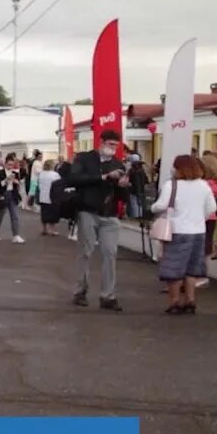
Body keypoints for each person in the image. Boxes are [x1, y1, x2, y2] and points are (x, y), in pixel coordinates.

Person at [68, 129, 130, 312]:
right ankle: (80, 291)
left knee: (110, 253)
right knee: (85, 252)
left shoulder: (118, 164)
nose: (113, 149)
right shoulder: (85, 159)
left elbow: (122, 195)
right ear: (101, 142)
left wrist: (123, 186)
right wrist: (103, 177)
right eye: (111, 144)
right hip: (88, 211)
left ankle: (108, 296)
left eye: (116, 146)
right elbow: (74, 179)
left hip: (109, 214)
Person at [150, 155, 217, 314]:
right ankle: (190, 299)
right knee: (191, 268)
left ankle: (174, 302)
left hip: (177, 231)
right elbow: (211, 208)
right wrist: (200, 218)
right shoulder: (203, 185)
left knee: (174, 268)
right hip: (198, 231)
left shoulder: (171, 185)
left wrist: (153, 208)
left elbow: (161, 205)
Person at [0, 153, 25, 243]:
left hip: (12, 195)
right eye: (9, 164)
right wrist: (7, 180)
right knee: (0, 215)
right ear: (5, 164)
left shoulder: (15, 172)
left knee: (15, 216)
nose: (10, 166)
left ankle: (16, 235)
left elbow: (18, 183)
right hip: (3, 195)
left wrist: (16, 181)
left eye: (12, 164)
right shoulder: (0, 172)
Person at [37, 159, 62, 236]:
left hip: (42, 196)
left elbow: (38, 184)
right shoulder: (55, 175)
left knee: (44, 213)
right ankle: (51, 230)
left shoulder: (41, 174)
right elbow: (59, 184)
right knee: (53, 214)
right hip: (52, 196)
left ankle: (44, 229)